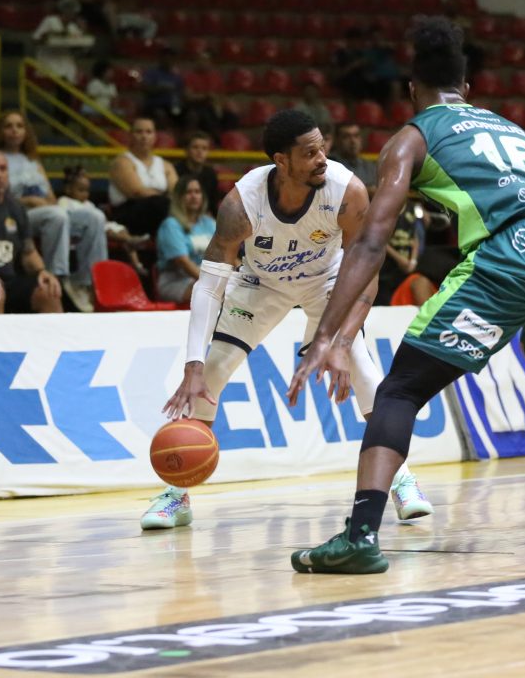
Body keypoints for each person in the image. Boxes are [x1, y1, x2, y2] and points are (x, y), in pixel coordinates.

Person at [285, 17, 525, 574]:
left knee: (399, 390)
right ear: (466, 88)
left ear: (412, 90)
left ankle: (360, 535)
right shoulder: (513, 132)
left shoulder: (412, 137)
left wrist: (326, 336)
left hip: (514, 253)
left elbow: (372, 240)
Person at [148, 109, 434, 530]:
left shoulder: (347, 191)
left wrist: (341, 343)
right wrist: (192, 365)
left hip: (328, 283)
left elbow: (366, 272)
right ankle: (177, 493)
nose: (322, 159)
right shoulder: (241, 203)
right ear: (281, 161)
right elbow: (208, 286)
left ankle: (402, 480)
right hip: (261, 283)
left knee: (362, 368)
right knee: (211, 373)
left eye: (323, 148)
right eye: (310, 153)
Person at [0, 110, 107, 312]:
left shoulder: (33, 161)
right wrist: (30, 200)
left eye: (19, 126)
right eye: (9, 126)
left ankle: (85, 282)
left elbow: (51, 196)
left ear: (26, 131)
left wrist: (45, 202)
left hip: (45, 209)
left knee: (95, 217)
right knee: (56, 215)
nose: (15, 130)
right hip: (18, 214)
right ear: (0, 131)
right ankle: (56, 276)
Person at [0, 149, 63, 315]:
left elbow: (29, 253)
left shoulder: (16, 208)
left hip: (10, 281)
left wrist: (43, 272)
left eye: (2, 169)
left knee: (48, 292)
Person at [58, 165, 149, 274]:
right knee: (108, 230)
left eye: (87, 190)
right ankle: (129, 240)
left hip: (99, 228)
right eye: (81, 190)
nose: (85, 194)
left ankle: (136, 263)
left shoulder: (88, 203)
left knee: (121, 228)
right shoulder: (64, 201)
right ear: (68, 189)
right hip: (81, 231)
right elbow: (65, 219)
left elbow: (100, 217)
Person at [108, 116, 178, 236]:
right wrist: (165, 199)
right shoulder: (122, 162)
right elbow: (137, 192)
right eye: (139, 132)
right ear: (130, 135)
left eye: (148, 132)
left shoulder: (165, 165)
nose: (144, 136)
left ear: (155, 136)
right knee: (161, 206)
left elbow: (177, 192)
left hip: (161, 209)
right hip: (129, 212)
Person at [155, 177, 215, 304]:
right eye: (188, 192)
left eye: (197, 192)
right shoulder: (170, 225)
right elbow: (182, 262)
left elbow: (226, 253)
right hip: (175, 281)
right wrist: (210, 282)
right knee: (211, 292)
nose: (194, 196)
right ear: (178, 197)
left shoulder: (209, 223)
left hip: (206, 279)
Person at [173, 131, 219, 215]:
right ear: (186, 150)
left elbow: (212, 203)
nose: (200, 151)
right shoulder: (175, 170)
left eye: (204, 148)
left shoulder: (211, 174)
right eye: (195, 147)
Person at [328, 122, 377, 191]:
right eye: (346, 137)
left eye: (356, 136)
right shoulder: (329, 165)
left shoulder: (370, 167)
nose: (353, 141)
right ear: (336, 141)